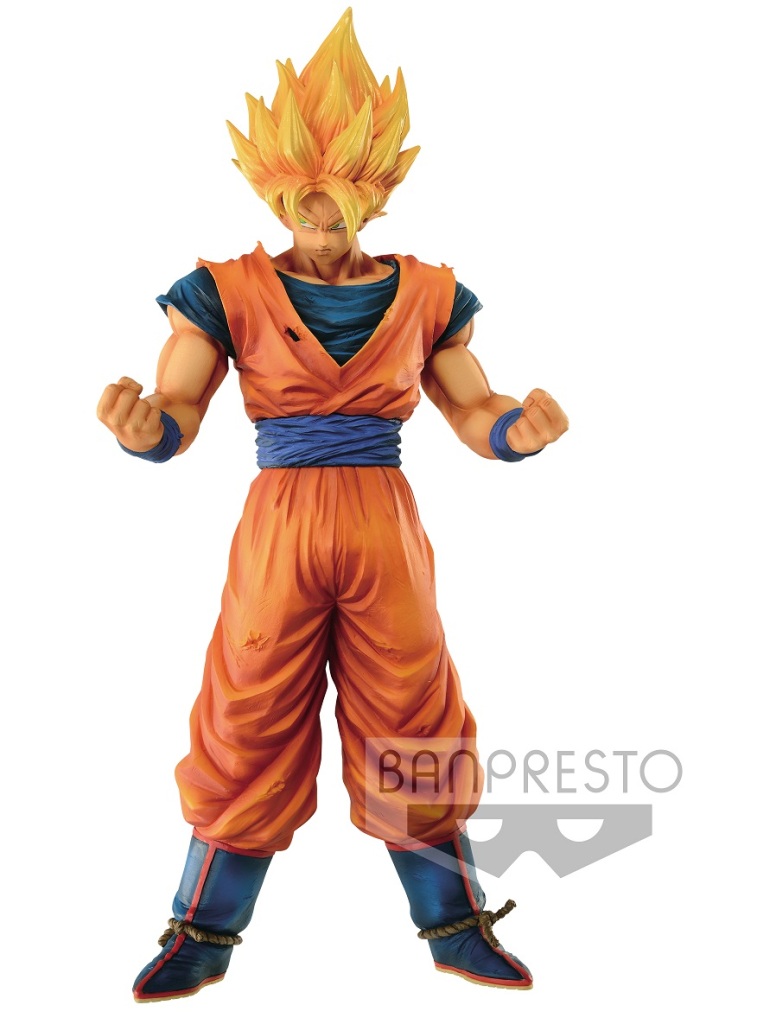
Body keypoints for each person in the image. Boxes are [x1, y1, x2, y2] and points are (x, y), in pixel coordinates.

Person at [97, 8, 568, 1002]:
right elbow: (179, 403)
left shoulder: (430, 293)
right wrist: (150, 431)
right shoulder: (222, 290)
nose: (320, 222)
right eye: (303, 203)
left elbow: (471, 402)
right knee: (247, 707)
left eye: (339, 202)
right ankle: (202, 931)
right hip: (279, 521)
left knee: (414, 710)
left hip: (383, 519)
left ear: (375, 190)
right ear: (273, 190)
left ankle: (454, 926)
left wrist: (511, 433)